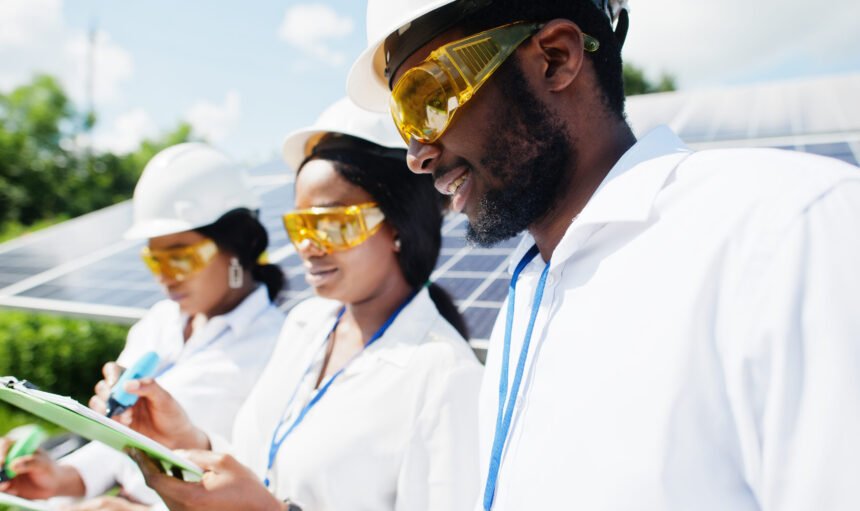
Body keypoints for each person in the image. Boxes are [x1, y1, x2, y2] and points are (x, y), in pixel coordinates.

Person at [346, 1, 860, 510]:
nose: (417, 154)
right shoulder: (527, 296)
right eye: (403, 122)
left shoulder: (787, 233)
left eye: (428, 100)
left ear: (556, 58)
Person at [115, 98, 483, 511]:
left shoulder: (446, 378)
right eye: (300, 224)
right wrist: (185, 438)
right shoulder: (307, 323)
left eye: (329, 225)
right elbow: (259, 468)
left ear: (400, 225)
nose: (307, 246)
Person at [0, 143, 287, 510]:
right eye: (154, 260)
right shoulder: (158, 321)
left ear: (241, 247)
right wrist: (59, 479)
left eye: (181, 259)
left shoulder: (280, 346)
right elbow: (119, 445)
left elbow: (262, 489)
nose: (165, 278)